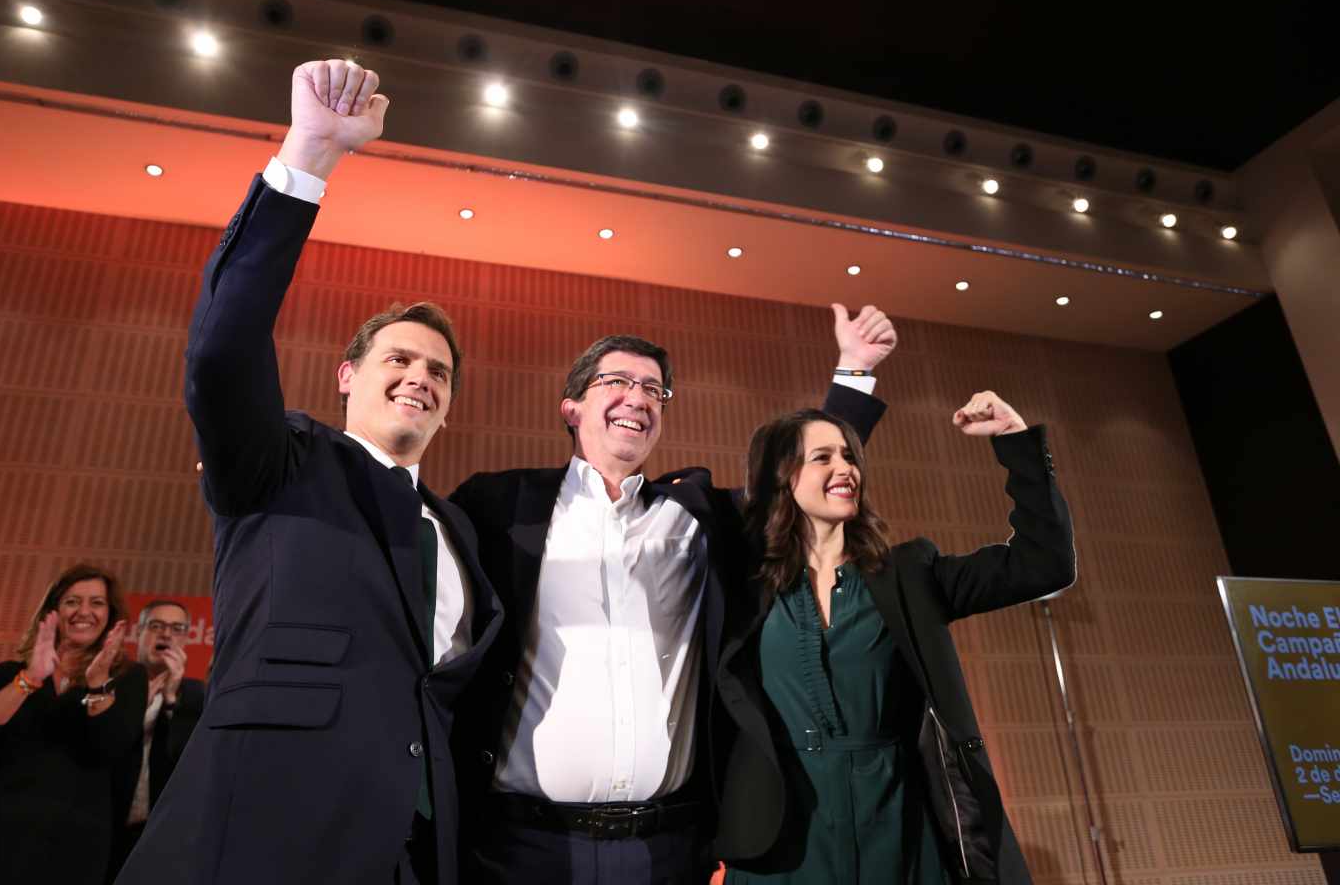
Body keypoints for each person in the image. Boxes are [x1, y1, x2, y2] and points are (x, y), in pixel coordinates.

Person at [117, 59, 502, 885]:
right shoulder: (280, 462)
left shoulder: (458, 529)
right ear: (345, 375)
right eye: (399, 358)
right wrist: (310, 156)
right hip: (262, 838)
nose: (420, 379)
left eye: (439, 373)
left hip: (414, 852)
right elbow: (223, 346)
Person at [449, 306, 895, 883]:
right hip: (522, 846)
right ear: (572, 406)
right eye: (618, 381)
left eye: (654, 389)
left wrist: (855, 370)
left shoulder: (695, 516)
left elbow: (799, 477)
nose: (639, 396)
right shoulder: (498, 505)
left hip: (668, 850)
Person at [713, 393, 1076, 884]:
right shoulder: (740, 585)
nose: (845, 468)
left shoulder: (907, 574)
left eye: (848, 456)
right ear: (782, 477)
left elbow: (1044, 563)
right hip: (784, 841)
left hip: (900, 831)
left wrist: (1016, 441)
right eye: (822, 458)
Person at [0, 564, 143, 885]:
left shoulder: (127, 680)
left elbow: (110, 750)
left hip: (71, 853)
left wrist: (98, 683)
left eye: (96, 603)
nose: (84, 612)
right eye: (72, 601)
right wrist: (30, 679)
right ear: (52, 611)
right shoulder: (7, 674)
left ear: (111, 615)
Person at [107, 600, 204, 883]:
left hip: (163, 837)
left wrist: (171, 701)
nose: (166, 635)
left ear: (186, 638)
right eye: (157, 626)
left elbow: (189, 763)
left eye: (177, 628)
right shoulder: (112, 685)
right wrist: (139, 704)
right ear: (139, 633)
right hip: (109, 831)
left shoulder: (196, 695)